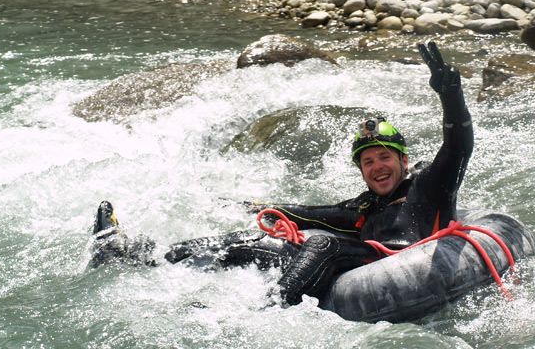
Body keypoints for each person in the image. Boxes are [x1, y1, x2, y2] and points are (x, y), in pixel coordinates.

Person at [90, 41, 473, 307]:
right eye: (368, 162)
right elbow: (310, 213)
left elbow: (458, 145)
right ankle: (140, 255)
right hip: (362, 267)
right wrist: (256, 207)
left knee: (321, 245)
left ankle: (265, 315)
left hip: (407, 262)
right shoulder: (366, 206)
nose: (377, 167)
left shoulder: (430, 184)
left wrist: (450, 95)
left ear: (403, 161)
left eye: (384, 158)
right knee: (256, 242)